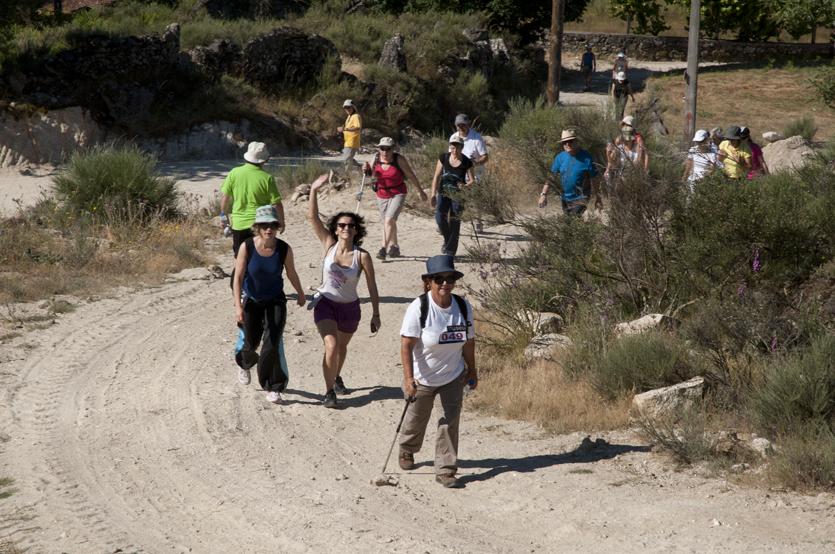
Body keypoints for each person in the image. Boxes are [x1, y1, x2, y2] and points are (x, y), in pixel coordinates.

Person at [398, 255, 476, 489]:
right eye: (438, 278)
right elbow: (406, 345)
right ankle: (407, 448)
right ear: (428, 282)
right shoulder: (419, 308)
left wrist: (472, 370)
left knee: (448, 422)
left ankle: (446, 469)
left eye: (449, 278)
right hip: (422, 379)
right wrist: (409, 378)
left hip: (452, 376)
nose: (444, 283)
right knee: (416, 420)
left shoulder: (462, 307)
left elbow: (468, 342)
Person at [308, 174, 381, 409]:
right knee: (330, 346)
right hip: (325, 303)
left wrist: (376, 314)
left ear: (356, 230)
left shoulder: (363, 256)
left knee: (341, 347)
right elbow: (312, 218)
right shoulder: (328, 245)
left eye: (350, 225)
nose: (346, 228)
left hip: (350, 308)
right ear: (336, 229)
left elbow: (372, 286)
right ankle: (329, 392)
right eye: (342, 225)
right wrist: (314, 190)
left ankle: (337, 376)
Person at [232, 205, 306, 404]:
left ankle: (273, 387)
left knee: (272, 341)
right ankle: (245, 364)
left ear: (277, 227)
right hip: (251, 301)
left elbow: (291, 273)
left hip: (275, 300)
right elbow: (238, 277)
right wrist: (238, 307)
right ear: (257, 227)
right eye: (264, 225)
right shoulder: (246, 246)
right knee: (250, 341)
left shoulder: (283, 249)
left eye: (273, 225)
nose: (268, 229)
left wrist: (300, 293)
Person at [362, 137, 428, 261]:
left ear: (393, 149)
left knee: (388, 220)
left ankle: (383, 248)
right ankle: (395, 247)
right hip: (381, 194)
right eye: (382, 149)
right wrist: (365, 170)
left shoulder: (399, 159)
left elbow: (410, 175)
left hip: (398, 193)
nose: (385, 152)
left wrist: (421, 191)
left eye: (388, 149)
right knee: (389, 222)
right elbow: (369, 175)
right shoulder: (376, 158)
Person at [220, 141, 285, 257]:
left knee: (239, 256)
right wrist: (281, 222)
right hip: (260, 224)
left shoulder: (234, 173)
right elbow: (277, 204)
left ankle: (237, 275)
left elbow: (225, 196)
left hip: (238, 223)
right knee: (258, 255)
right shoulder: (267, 178)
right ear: (263, 160)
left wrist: (223, 218)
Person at [539, 129, 602, 216]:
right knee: (571, 223)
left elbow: (595, 180)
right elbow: (551, 177)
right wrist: (543, 194)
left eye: (570, 141)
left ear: (576, 141)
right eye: (564, 142)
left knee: (573, 218)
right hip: (565, 198)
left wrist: (598, 199)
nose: (567, 144)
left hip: (581, 197)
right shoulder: (560, 157)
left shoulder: (586, 157)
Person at [430, 135, 475, 257]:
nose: (455, 151)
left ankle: (450, 251)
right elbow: (437, 176)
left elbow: (472, 180)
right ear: (450, 147)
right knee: (440, 219)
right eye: (453, 148)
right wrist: (433, 194)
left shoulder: (467, 162)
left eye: (458, 148)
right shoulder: (443, 158)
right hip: (443, 193)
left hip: (458, 196)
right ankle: (448, 241)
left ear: (462, 148)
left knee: (455, 222)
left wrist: (466, 186)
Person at [450, 114, 489, 233]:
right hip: (458, 175)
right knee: (454, 198)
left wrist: (474, 164)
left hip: (475, 174)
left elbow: (485, 156)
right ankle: (450, 222)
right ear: (456, 126)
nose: (461, 127)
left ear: (469, 124)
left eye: (463, 125)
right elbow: (450, 155)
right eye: (459, 125)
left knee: (476, 199)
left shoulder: (476, 138)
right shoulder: (453, 137)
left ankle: (477, 221)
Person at [683, 129, 721, 195]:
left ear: (706, 140)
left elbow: (713, 169)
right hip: (694, 179)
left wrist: (703, 179)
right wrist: (685, 176)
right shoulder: (693, 150)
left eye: (701, 141)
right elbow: (690, 163)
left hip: (707, 180)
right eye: (697, 142)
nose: (699, 143)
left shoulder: (713, 151)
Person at [337, 99, 362, 172]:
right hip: (347, 142)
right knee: (348, 158)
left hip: (352, 142)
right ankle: (362, 169)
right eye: (345, 108)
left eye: (349, 107)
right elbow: (347, 128)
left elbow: (358, 128)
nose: (347, 109)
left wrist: (345, 129)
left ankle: (347, 176)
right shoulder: (349, 117)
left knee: (347, 160)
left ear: (353, 107)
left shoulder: (356, 116)